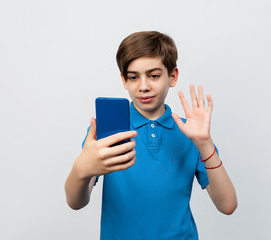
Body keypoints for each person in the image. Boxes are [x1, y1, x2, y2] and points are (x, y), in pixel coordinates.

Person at [64, 31, 237, 239]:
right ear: (123, 80)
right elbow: (75, 202)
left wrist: (205, 144)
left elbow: (227, 205)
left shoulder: (190, 132)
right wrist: (80, 171)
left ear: (172, 77)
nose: (143, 86)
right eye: (133, 77)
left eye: (154, 76)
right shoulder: (107, 131)